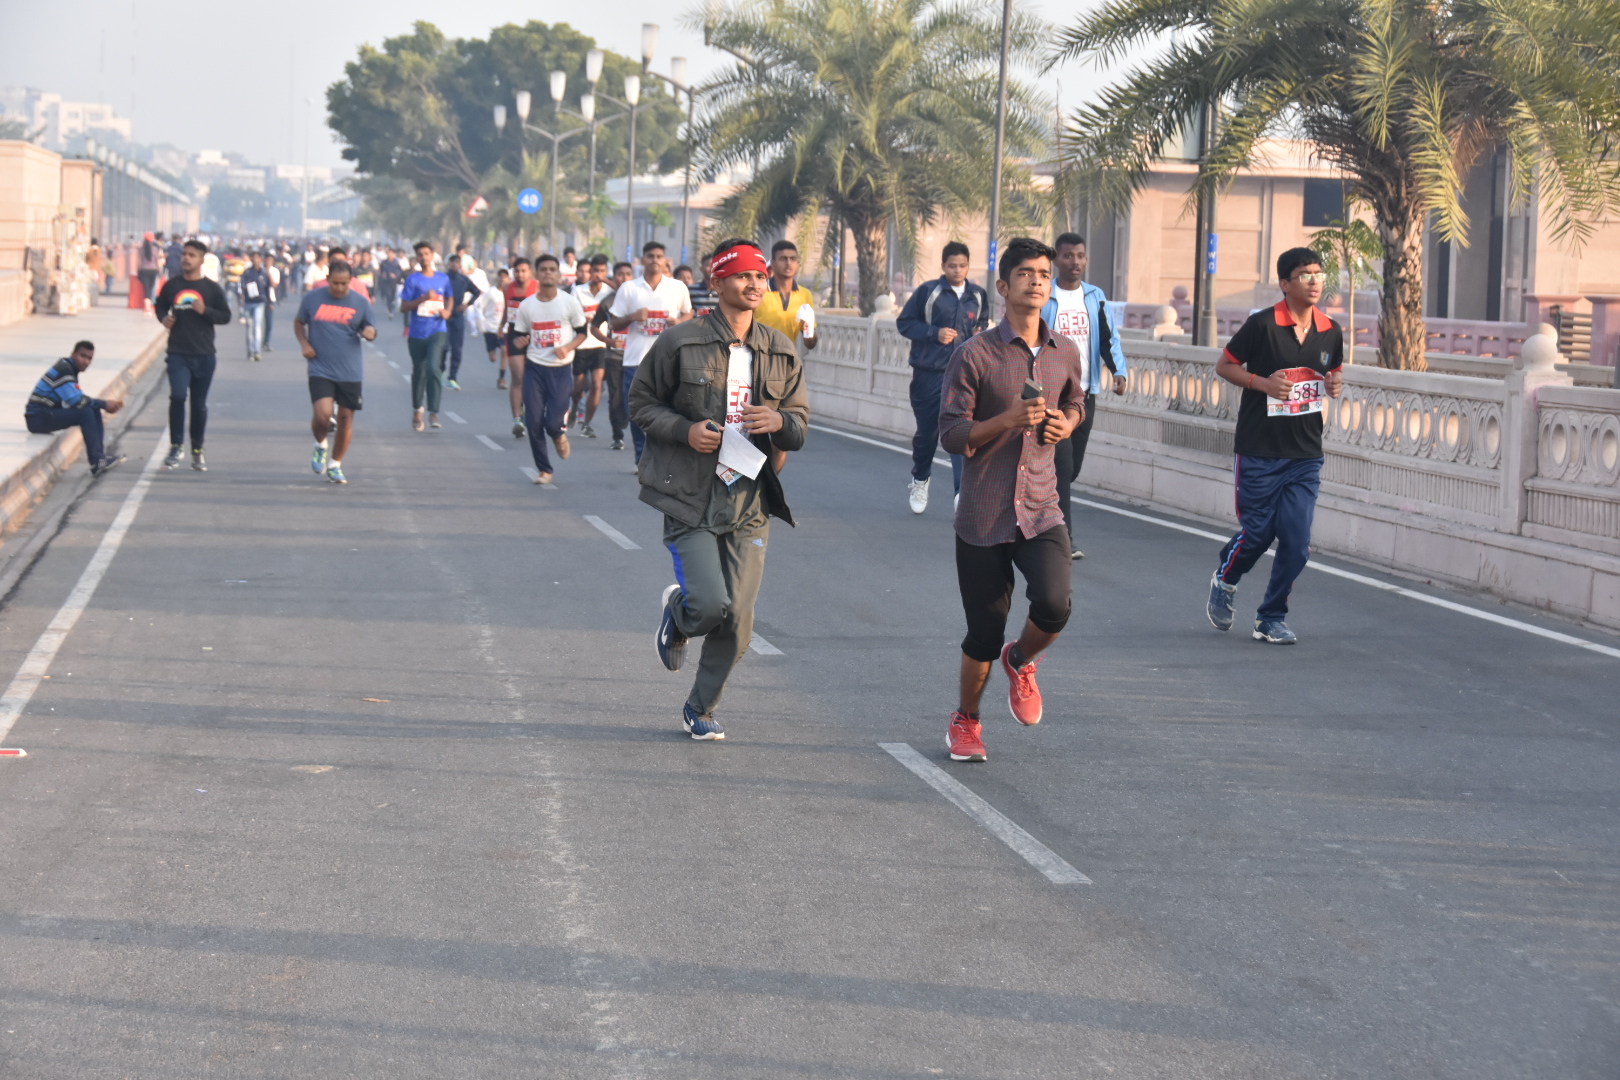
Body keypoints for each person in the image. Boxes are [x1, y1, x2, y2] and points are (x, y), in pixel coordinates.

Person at [632, 239, 809, 741]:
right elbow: (641, 403)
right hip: (690, 493)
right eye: (742, 276)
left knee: (739, 621)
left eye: (760, 276)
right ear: (717, 283)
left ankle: (700, 706)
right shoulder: (679, 342)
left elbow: (799, 424)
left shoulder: (780, 349)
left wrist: (779, 421)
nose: (754, 284)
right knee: (710, 606)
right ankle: (680, 613)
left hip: (750, 498)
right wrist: (684, 430)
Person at [937, 237, 1084, 763]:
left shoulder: (1065, 352)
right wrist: (1006, 421)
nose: (1037, 281)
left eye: (1043, 273)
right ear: (1003, 285)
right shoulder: (974, 354)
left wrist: (1067, 423)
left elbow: (1077, 399)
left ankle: (1020, 659)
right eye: (1025, 273)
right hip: (984, 512)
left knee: (1055, 603)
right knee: (983, 632)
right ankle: (966, 720)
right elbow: (951, 434)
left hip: (1042, 507)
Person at [1206, 247, 1345, 645]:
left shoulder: (1331, 330)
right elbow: (1225, 365)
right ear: (1285, 284)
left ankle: (1271, 617)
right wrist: (1263, 384)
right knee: (1258, 534)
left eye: (1318, 273)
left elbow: (1334, 371)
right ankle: (1226, 579)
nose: (1314, 281)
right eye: (1304, 275)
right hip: (1259, 449)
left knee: (1297, 543)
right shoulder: (1262, 325)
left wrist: (1335, 383)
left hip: (1305, 453)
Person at [1040, 232, 1129, 558]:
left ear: (1086, 259)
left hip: (1085, 392)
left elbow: (1109, 338)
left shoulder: (1095, 297)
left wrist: (1119, 371)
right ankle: (1064, 539)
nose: (1074, 262)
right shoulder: (1046, 296)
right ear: (1056, 260)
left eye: (1080, 256)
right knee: (1062, 467)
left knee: (1071, 468)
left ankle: (1039, 511)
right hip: (1052, 393)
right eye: (1067, 256)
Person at [897, 241, 988, 514]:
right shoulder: (929, 292)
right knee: (928, 433)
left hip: (965, 375)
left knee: (962, 431)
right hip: (930, 373)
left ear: (968, 266)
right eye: (952, 266)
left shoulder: (978, 295)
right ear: (943, 266)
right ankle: (920, 479)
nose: (957, 270)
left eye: (962, 265)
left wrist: (979, 332)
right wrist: (934, 333)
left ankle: (962, 492)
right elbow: (904, 323)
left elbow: (982, 321)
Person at [294, 259, 377, 485]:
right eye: (335, 283)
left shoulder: (361, 302)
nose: (339, 288)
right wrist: (304, 343)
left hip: (350, 370)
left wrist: (370, 332)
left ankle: (335, 464)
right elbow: (299, 322)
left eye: (344, 283)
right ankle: (320, 444)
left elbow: (370, 326)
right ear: (327, 279)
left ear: (350, 281)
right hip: (320, 366)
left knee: (346, 418)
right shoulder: (313, 298)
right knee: (323, 415)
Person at [609, 241, 693, 463]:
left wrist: (679, 322)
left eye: (659, 256)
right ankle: (641, 456)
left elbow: (689, 314)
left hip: (669, 361)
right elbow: (614, 323)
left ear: (665, 261)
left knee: (668, 410)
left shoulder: (677, 287)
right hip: (635, 360)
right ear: (643, 260)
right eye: (650, 256)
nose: (655, 260)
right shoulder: (629, 288)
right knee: (636, 411)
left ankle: (663, 454)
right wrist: (632, 317)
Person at [153, 239, 232, 471]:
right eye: (184, 254)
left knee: (198, 405)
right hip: (178, 352)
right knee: (178, 396)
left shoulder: (211, 289)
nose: (186, 258)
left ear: (201, 260)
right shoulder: (172, 285)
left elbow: (225, 316)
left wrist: (205, 310)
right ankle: (176, 446)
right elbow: (160, 305)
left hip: (204, 354)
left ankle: (197, 448)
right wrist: (163, 318)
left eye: (192, 255)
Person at [511, 254, 588, 485]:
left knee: (553, 423)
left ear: (558, 274)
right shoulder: (527, 306)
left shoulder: (569, 302)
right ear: (537, 274)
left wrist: (568, 347)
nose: (547, 273)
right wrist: (520, 342)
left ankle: (558, 435)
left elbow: (582, 332)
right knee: (533, 421)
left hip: (561, 369)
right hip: (535, 368)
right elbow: (518, 335)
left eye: (552, 269)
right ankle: (544, 469)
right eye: (543, 269)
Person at [24, 340, 126, 477]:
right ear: (73, 354)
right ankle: (97, 460)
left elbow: (76, 399)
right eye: (82, 356)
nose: (85, 361)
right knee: (86, 412)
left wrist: (99, 404)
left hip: (46, 414)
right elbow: (76, 400)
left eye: (89, 358)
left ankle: (100, 458)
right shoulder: (64, 370)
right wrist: (104, 404)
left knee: (92, 408)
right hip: (38, 418)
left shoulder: (70, 369)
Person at [398, 240, 451, 431]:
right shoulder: (413, 280)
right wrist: (422, 299)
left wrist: (447, 312)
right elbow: (403, 307)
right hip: (417, 332)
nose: (424, 257)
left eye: (427, 254)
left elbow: (450, 298)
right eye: (420, 255)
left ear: (432, 255)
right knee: (419, 371)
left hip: (437, 330)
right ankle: (417, 409)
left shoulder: (443, 279)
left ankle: (434, 412)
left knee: (433, 368)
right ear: (417, 258)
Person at [590, 259, 635, 450]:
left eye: (628, 274)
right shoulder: (608, 301)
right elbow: (593, 327)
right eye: (620, 274)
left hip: (637, 356)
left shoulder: (641, 299)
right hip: (615, 356)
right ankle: (617, 435)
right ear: (614, 277)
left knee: (633, 396)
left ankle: (629, 422)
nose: (624, 278)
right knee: (616, 396)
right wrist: (609, 341)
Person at [569, 257, 613, 438]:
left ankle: (587, 423)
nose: (597, 275)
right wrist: (583, 318)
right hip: (581, 344)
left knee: (596, 384)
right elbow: (571, 314)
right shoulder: (578, 291)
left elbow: (625, 291)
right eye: (595, 271)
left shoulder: (609, 291)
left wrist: (607, 281)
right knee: (578, 388)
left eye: (602, 271)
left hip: (600, 344)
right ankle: (574, 407)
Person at [753, 240, 819, 352]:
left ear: (798, 263)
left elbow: (810, 344)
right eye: (783, 259)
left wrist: (809, 330)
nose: (788, 263)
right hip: (758, 357)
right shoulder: (759, 291)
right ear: (773, 264)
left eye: (793, 259)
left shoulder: (805, 295)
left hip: (787, 358)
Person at [501, 257, 539, 425]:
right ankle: (517, 419)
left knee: (533, 378)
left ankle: (530, 408)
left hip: (534, 336)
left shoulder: (537, 287)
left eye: (524, 271)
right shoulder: (507, 288)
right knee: (518, 377)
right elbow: (506, 309)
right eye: (517, 271)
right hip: (514, 335)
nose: (520, 274)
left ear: (530, 272)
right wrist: (500, 326)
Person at [444, 253, 481, 390]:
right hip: (444, 317)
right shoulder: (443, 278)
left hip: (458, 316)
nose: (454, 265)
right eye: (452, 262)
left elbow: (476, 291)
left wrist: (467, 305)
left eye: (457, 262)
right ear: (448, 264)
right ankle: (441, 371)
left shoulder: (463, 279)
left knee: (457, 348)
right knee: (443, 347)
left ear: (460, 265)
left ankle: (453, 377)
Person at [473, 267, 509, 376]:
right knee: (493, 358)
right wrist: (482, 323)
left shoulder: (510, 293)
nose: (502, 279)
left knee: (505, 350)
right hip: (490, 328)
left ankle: (501, 378)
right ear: (497, 278)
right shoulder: (491, 292)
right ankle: (491, 350)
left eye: (505, 277)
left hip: (504, 328)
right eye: (500, 277)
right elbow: (479, 307)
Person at [238, 250, 272, 362]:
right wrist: (242, 296)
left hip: (260, 302)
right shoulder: (247, 272)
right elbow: (240, 285)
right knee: (249, 327)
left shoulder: (264, 273)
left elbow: (268, 288)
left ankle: (257, 351)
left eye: (257, 258)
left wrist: (270, 302)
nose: (255, 260)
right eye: (253, 258)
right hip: (248, 302)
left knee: (257, 326)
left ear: (261, 259)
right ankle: (250, 350)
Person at [686, 255, 717, 321]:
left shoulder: (724, 291)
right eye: (708, 265)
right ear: (701, 268)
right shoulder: (691, 289)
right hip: (697, 326)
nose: (711, 269)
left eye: (714, 265)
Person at [262, 250, 282, 351]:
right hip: (259, 298)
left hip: (270, 298)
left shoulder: (275, 271)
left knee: (269, 323)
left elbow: (274, 285)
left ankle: (266, 342)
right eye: (267, 259)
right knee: (257, 323)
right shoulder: (260, 270)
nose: (268, 261)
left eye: (270, 260)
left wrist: (268, 273)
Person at [376, 247, 404, 316]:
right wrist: (383, 274)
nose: (390, 254)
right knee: (388, 295)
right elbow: (381, 270)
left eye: (391, 253)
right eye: (389, 253)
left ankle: (391, 306)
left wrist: (395, 275)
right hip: (386, 281)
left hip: (394, 281)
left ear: (394, 254)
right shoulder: (384, 262)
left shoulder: (396, 262)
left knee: (393, 295)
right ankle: (390, 309)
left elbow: (400, 271)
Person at [136, 232, 161, 303]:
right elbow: (157, 261)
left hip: (144, 270)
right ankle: (151, 302)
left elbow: (139, 261)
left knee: (146, 288)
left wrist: (138, 271)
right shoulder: (155, 249)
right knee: (152, 287)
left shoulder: (141, 249)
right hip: (154, 270)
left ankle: (147, 305)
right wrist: (160, 271)